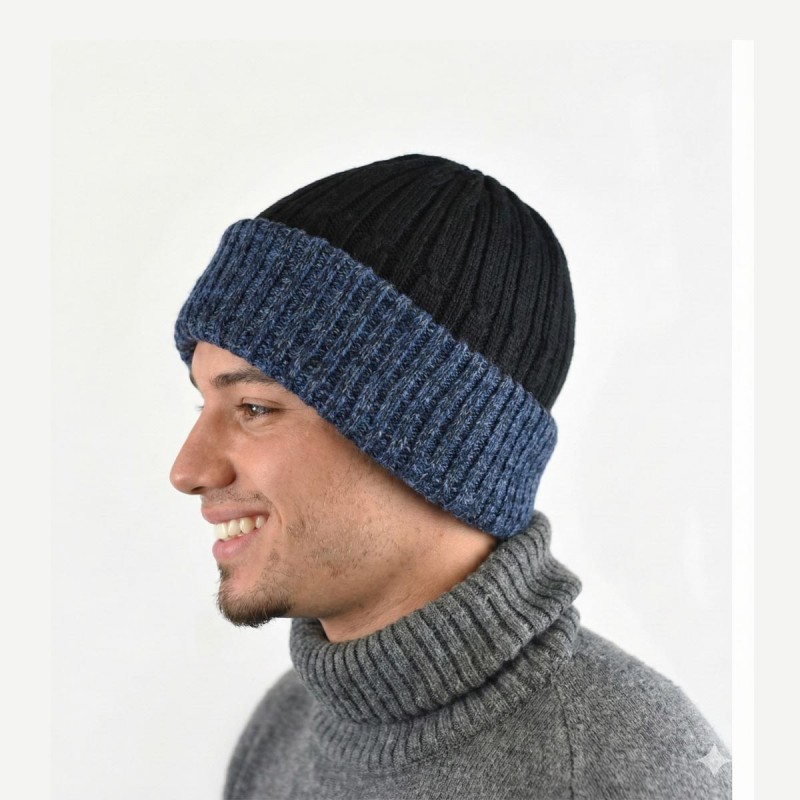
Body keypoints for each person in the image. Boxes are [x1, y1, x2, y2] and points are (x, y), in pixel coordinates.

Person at [170, 154, 732, 799]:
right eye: (201, 404)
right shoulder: (286, 725)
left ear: (435, 441)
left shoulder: (624, 772)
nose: (188, 470)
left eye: (254, 408)